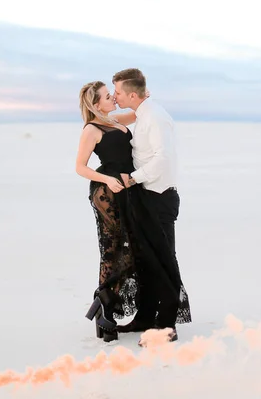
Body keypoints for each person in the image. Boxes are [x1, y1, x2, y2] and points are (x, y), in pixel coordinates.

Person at [76, 78, 191, 344]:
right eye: (107, 96)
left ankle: (140, 312)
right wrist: (107, 180)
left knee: (135, 251)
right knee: (115, 250)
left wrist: (142, 97)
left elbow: (137, 110)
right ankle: (105, 303)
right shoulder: (92, 129)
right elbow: (80, 167)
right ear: (95, 104)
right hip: (111, 191)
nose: (113, 99)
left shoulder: (115, 119)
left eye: (113, 94)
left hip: (131, 189)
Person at [113, 68, 191, 340]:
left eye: (119, 92)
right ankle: (145, 317)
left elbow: (163, 158)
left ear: (132, 94)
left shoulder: (155, 117)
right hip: (147, 197)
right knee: (145, 260)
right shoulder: (143, 113)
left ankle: (168, 325)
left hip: (159, 198)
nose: (115, 96)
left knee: (163, 260)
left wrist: (133, 178)